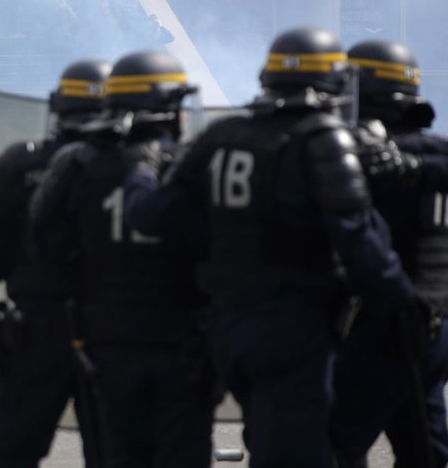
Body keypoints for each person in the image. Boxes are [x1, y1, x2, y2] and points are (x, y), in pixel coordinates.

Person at [123, 27, 415, 466]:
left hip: (227, 325)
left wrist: (142, 172)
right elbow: (357, 238)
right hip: (296, 326)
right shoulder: (322, 141)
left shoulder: (221, 136)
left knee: (265, 438)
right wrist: (402, 306)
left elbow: (158, 218)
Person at [30, 51, 213, 467]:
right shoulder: (189, 164)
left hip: (105, 340)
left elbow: (46, 241)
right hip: (182, 342)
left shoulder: (77, 165)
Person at [0, 60, 110, 468]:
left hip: (36, 329)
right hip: (112, 331)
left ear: (58, 107)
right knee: (118, 451)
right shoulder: (133, 168)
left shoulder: (19, 165)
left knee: (12, 450)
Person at [331, 40, 448, 467]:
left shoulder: (363, 161)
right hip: (431, 329)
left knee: (333, 444)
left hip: (380, 325)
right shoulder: (428, 154)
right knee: (426, 448)